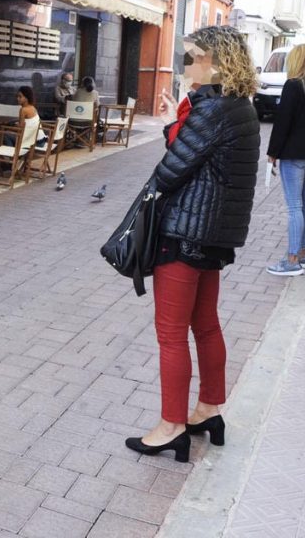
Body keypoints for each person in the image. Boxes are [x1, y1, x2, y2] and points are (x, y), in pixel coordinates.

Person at [125, 25, 260, 462]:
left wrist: (173, 126)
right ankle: (207, 410)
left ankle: (171, 426)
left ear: (215, 60)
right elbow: (196, 158)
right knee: (205, 325)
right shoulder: (240, 107)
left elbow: (170, 172)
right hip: (214, 236)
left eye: (190, 57)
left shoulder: (212, 109)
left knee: (170, 335)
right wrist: (177, 124)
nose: (184, 66)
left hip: (184, 233)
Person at [265, 44, 305, 276]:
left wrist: (273, 152)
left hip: (294, 153)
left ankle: (291, 259)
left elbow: (283, 122)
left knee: (294, 207)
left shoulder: (293, 86)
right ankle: (303, 253)